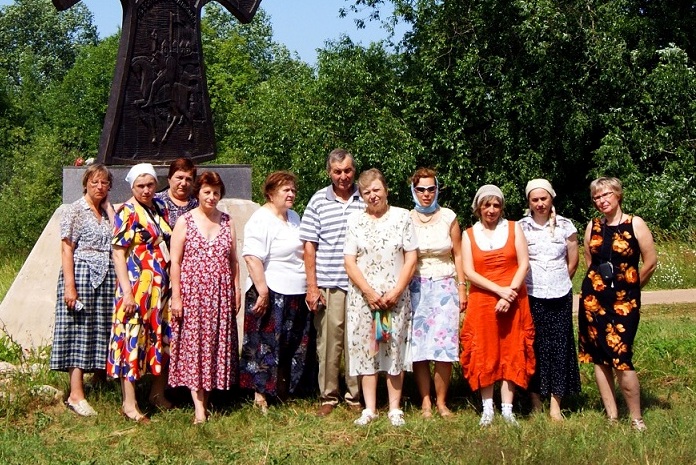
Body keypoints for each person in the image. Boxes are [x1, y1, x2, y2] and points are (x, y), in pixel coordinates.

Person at [578, 177, 657, 431]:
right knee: (599, 357)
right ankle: (612, 416)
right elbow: (590, 260)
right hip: (593, 301)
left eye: (606, 195)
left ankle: (636, 418)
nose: (602, 200)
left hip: (625, 303)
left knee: (622, 356)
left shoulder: (636, 224)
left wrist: (632, 289)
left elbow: (650, 262)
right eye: (597, 197)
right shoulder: (593, 225)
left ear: (618, 195)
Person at [344, 168, 418, 427]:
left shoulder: (402, 217)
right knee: (368, 349)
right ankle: (370, 409)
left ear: (386, 190)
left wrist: (396, 291)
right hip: (365, 300)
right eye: (366, 192)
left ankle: (395, 408)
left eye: (376, 190)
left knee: (393, 347)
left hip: (393, 299)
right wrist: (369, 292)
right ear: (361, 196)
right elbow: (349, 261)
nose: (372, 196)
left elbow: (411, 257)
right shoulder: (354, 221)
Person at [239, 171, 315, 414]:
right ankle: (260, 393)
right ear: (271, 194)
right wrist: (262, 291)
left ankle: (284, 390)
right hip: (271, 289)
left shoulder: (294, 217)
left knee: (291, 342)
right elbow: (252, 256)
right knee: (265, 344)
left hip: (296, 290)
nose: (291, 194)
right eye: (286, 190)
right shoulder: (260, 219)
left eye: (293, 189)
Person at [459, 184, 535, 427]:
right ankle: (487, 408)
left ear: (501, 207)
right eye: (486, 205)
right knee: (485, 350)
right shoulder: (469, 234)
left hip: (513, 299)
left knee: (511, 349)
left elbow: (524, 264)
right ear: (478, 208)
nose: (491, 210)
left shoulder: (515, 228)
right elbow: (469, 271)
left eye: (496, 205)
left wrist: (509, 293)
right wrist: (499, 291)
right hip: (483, 301)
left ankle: (508, 408)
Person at [168, 171, 241, 424]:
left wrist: (236, 289)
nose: (211, 197)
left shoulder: (228, 221)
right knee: (195, 346)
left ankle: (207, 398)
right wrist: (176, 296)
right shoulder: (185, 221)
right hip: (193, 294)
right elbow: (175, 262)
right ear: (198, 193)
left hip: (220, 295)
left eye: (216, 193)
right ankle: (199, 407)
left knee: (213, 346)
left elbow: (233, 261)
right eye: (207, 192)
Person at [106, 163, 173, 423]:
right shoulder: (127, 212)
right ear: (132, 187)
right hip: (136, 288)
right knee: (132, 341)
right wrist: (127, 293)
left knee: (161, 339)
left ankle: (157, 393)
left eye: (150, 185)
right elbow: (119, 253)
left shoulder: (160, 207)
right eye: (140, 186)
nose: (146, 190)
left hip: (161, 290)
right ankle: (129, 403)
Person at [300, 149, 363, 417]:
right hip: (330, 283)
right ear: (329, 173)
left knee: (358, 341)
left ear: (354, 171)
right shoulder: (317, 201)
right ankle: (328, 395)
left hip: (362, 286)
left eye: (347, 170)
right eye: (337, 171)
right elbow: (309, 246)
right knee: (329, 343)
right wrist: (312, 287)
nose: (343, 176)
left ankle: (356, 395)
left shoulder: (366, 197)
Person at [50, 164, 115, 417]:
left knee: (102, 328)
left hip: (106, 276)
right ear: (86, 182)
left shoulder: (108, 213)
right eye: (95, 182)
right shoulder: (74, 210)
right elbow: (67, 248)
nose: (99, 187)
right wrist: (70, 286)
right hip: (81, 273)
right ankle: (76, 394)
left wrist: (109, 207)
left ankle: (100, 380)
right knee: (78, 331)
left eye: (104, 183)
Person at [518, 179, 581, 421]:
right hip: (532, 295)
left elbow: (572, 261)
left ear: (551, 198)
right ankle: (535, 401)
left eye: (544, 198)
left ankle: (556, 403)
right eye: (535, 200)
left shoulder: (566, 226)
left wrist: (557, 280)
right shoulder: (521, 227)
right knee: (534, 347)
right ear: (529, 202)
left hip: (560, 294)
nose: (540, 203)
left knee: (560, 347)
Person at [408, 168, 467, 418]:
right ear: (413, 190)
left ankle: (442, 402)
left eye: (431, 188)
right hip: (416, 285)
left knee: (444, 346)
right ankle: (425, 402)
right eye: (421, 189)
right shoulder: (405, 218)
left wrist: (462, 287)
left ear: (437, 189)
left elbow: (458, 253)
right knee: (419, 347)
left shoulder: (449, 217)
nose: (426, 194)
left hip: (445, 284)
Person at [155, 157, 198, 226]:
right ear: (169, 179)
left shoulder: (198, 203)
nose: (183, 183)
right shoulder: (155, 201)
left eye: (188, 179)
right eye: (179, 178)